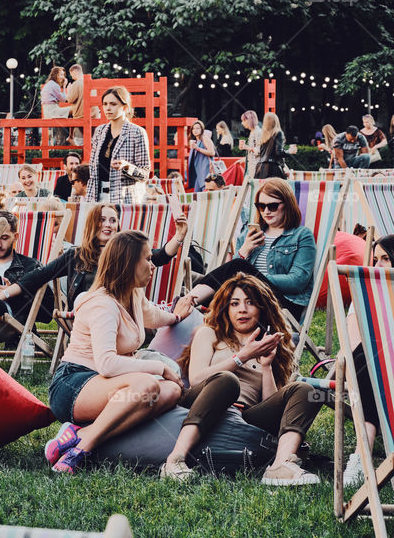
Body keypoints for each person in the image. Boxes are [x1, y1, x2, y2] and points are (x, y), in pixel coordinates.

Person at [43, 231, 186, 473]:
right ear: (128, 263)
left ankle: (80, 433)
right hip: (74, 383)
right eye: (148, 258)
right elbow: (107, 363)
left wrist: (179, 315)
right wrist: (159, 367)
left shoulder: (133, 294)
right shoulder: (103, 304)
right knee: (147, 386)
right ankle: (82, 450)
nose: (153, 265)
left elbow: (153, 316)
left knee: (172, 391)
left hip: (105, 382)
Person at [161, 273, 322, 484]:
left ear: (262, 308)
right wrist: (242, 357)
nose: (242, 310)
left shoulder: (269, 344)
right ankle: (175, 460)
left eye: (250, 303)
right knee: (227, 380)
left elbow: (272, 406)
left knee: (306, 391)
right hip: (206, 401)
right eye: (234, 303)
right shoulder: (210, 333)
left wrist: (266, 367)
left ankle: (280, 466)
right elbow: (197, 378)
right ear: (226, 308)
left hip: (246, 415)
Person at [0, 204, 192, 321]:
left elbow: (160, 257)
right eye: (102, 220)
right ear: (93, 224)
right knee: (84, 297)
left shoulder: (127, 252)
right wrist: (5, 293)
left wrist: (179, 235)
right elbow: (40, 276)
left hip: (118, 316)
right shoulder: (76, 255)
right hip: (86, 315)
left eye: (113, 220)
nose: (108, 224)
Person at [173, 178, 315, 321]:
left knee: (239, 267)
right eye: (261, 206)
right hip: (246, 300)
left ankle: (187, 301)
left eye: (272, 206)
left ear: (287, 205)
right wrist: (244, 250)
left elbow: (297, 281)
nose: (266, 211)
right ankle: (185, 305)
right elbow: (229, 275)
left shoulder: (302, 235)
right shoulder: (249, 236)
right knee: (223, 287)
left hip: (283, 305)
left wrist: (252, 279)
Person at [340, 234, 394, 487]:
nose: (378, 266)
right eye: (375, 259)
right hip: (378, 368)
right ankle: (363, 453)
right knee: (363, 357)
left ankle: (364, 452)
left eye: (385, 259)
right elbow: (352, 343)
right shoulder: (367, 290)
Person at [0, 211, 54, 346]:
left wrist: (13, 294)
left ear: (15, 237)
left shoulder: (30, 266)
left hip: (7, 324)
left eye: (4, 238)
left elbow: (47, 313)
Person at [86, 86, 151, 203]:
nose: (108, 108)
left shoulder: (137, 132)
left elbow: (145, 174)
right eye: (105, 104)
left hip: (125, 199)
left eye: (113, 104)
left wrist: (127, 166)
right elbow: (92, 171)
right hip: (97, 197)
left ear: (125, 107)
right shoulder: (99, 131)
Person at [255, 113, 294, 179]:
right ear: (276, 121)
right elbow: (278, 152)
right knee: (277, 188)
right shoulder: (278, 133)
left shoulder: (263, 134)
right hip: (273, 168)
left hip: (261, 168)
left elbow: (261, 153)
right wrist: (289, 151)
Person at [41, 66, 69, 145]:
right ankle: (72, 137)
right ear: (55, 75)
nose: (63, 77)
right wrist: (64, 87)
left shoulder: (49, 84)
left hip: (47, 110)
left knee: (69, 111)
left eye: (63, 75)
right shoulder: (54, 85)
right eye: (61, 75)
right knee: (74, 110)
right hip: (52, 110)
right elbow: (63, 99)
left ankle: (65, 139)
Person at [187, 121, 216, 192]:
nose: (195, 130)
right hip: (198, 172)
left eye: (197, 128)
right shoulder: (196, 141)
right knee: (197, 194)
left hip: (206, 170)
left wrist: (197, 148)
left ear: (202, 129)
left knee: (205, 193)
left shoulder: (205, 138)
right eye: (193, 129)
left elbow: (212, 152)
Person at [66, 64, 85, 145]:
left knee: (67, 114)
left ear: (75, 72)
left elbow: (70, 99)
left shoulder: (76, 83)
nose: (72, 77)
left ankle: (71, 137)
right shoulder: (90, 82)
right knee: (89, 137)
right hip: (94, 114)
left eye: (71, 74)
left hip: (81, 115)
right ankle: (71, 137)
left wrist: (68, 90)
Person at [239, 110, 261, 179]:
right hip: (252, 165)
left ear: (249, 120)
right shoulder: (253, 132)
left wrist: (246, 147)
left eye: (244, 121)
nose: (242, 123)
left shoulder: (257, 132)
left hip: (256, 166)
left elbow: (259, 150)